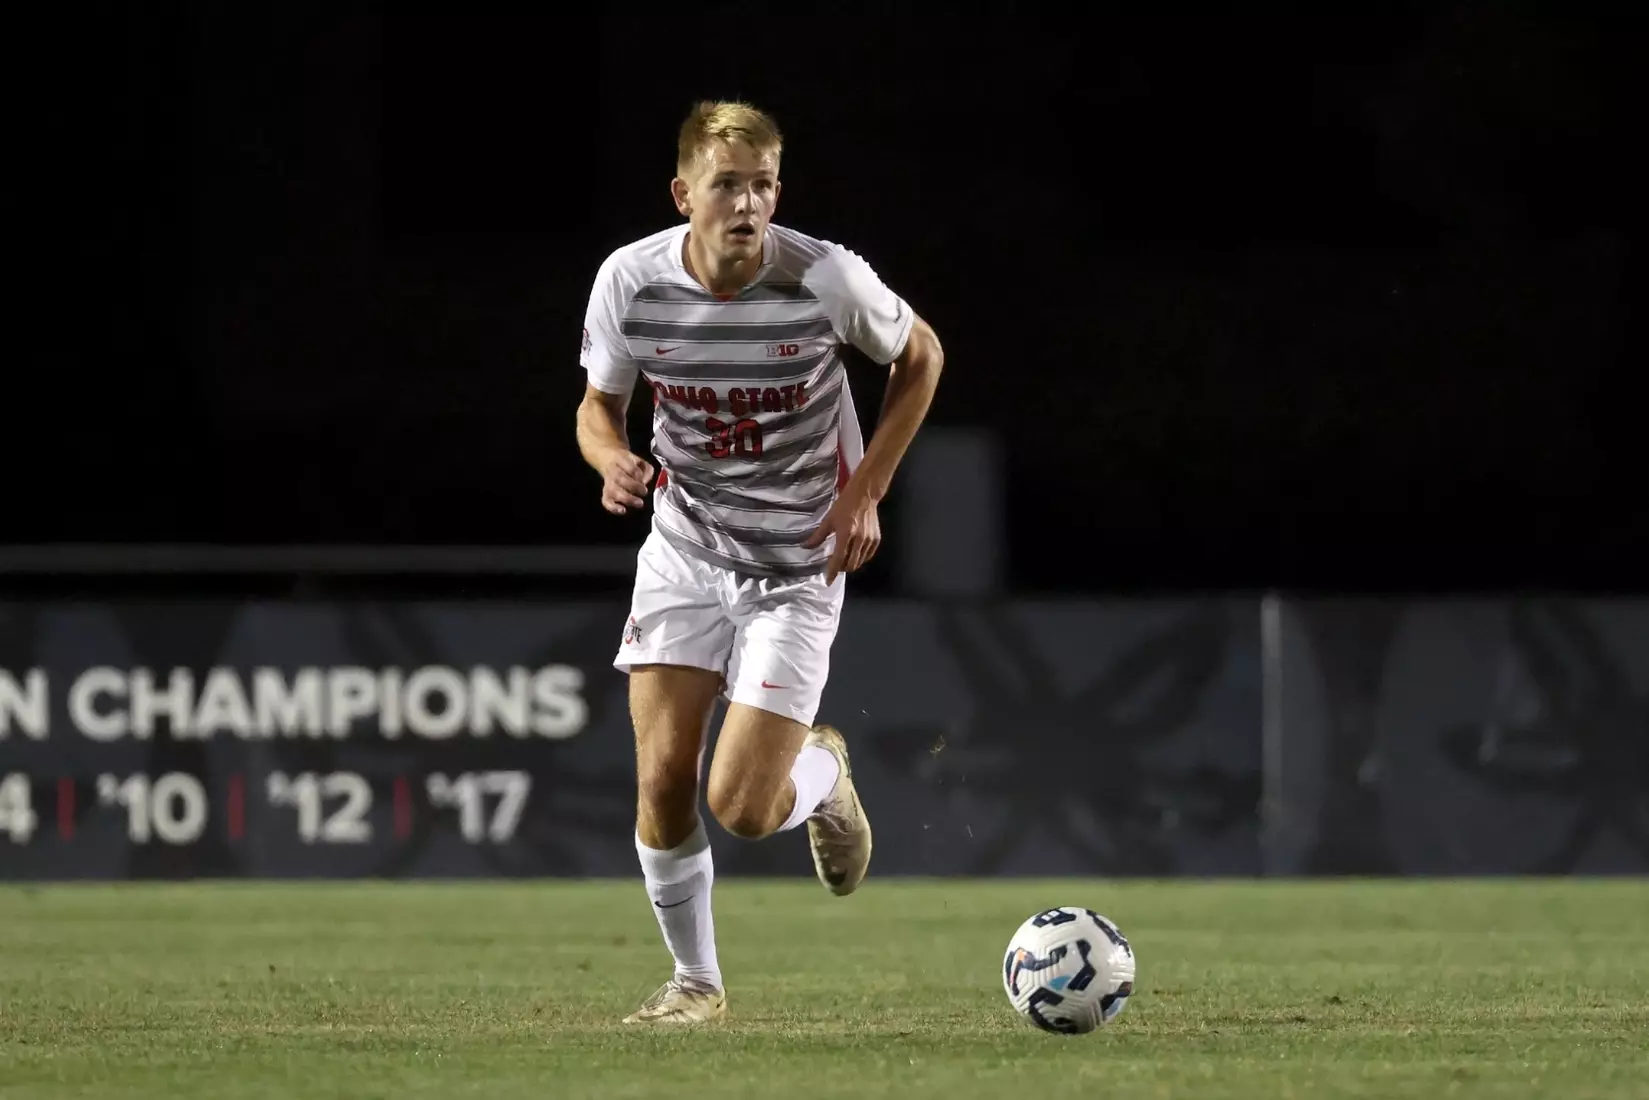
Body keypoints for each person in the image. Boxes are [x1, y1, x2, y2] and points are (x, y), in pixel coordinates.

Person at [575, 99, 944, 1024]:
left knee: (740, 806)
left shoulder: (824, 278)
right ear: (683, 192)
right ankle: (695, 983)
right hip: (685, 550)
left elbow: (922, 356)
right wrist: (610, 458)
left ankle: (820, 777)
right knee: (660, 779)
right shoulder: (629, 280)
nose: (748, 204)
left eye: (764, 185)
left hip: (795, 565)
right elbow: (596, 408)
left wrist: (864, 491)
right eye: (728, 185)